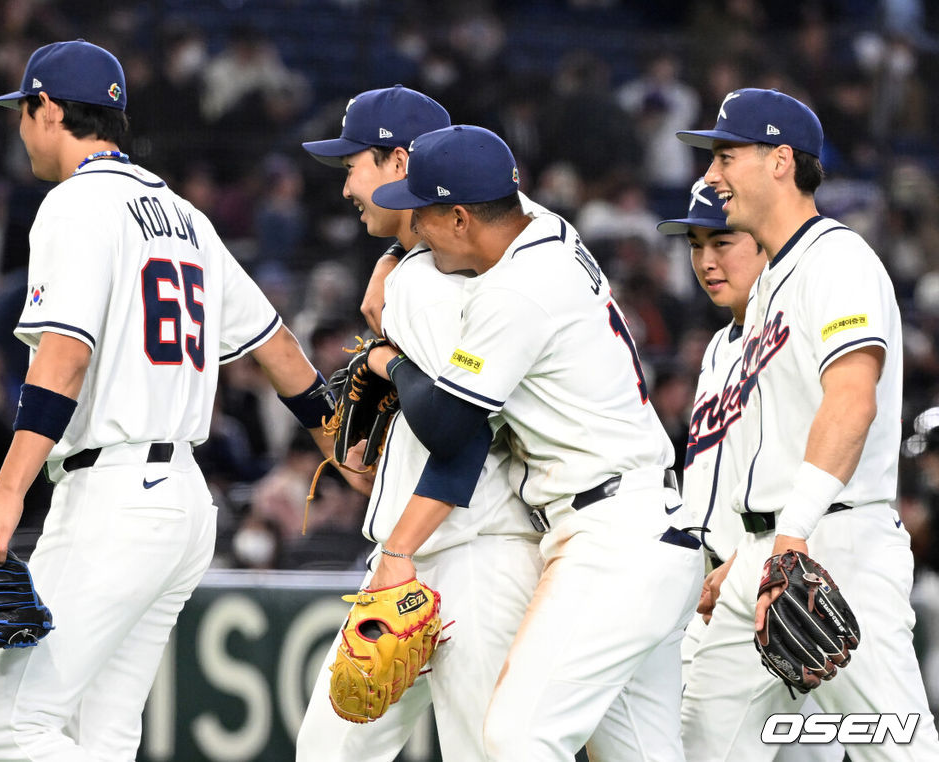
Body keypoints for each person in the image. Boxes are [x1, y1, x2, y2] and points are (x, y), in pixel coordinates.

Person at [0, 40, 344, 762]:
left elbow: (63, 361)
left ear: (48, 109)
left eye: (24, 111)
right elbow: (281, 350)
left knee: (16, 730)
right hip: (183, 504)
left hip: (114, 499)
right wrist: (343, 449)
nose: (20, 128)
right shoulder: (187, 217)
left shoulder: (74, 206)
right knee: (99, 739)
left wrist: (7, 495)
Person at [366, 124, 703, 761]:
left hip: (612, 540)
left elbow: (446, 426)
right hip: (648, 528)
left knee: (517, 738)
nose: (416, 230)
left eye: (424, 215)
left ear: (461, 218)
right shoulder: (549, 230)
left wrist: (390, 358)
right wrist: (390, 262)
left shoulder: (518, 289)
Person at [675, 87, 939, 759]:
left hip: (834, 545)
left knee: (897, 749)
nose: (711, 175)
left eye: (726, 156)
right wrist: (751, 550)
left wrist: (788, 537)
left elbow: (853, 401)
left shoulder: (838, 260)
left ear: (781, 161)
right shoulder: (766, 287)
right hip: (768, 555)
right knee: (701, 746)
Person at [295, 85, 543, 761]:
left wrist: (381, 360)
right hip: (426, 554)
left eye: (354, 163)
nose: (346, 184)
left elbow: (462, 433)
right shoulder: (417, 270)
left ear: (399, 160)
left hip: (475, 555)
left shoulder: (432, 281)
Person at [658, 178, 843, 762]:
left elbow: (820, 451)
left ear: (764, 239)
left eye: (723, 241)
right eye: (695, 245)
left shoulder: (793, 329)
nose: (706, 261)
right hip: (716, 588)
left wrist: (748, 556)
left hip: (777, 579)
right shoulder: (717, 349)